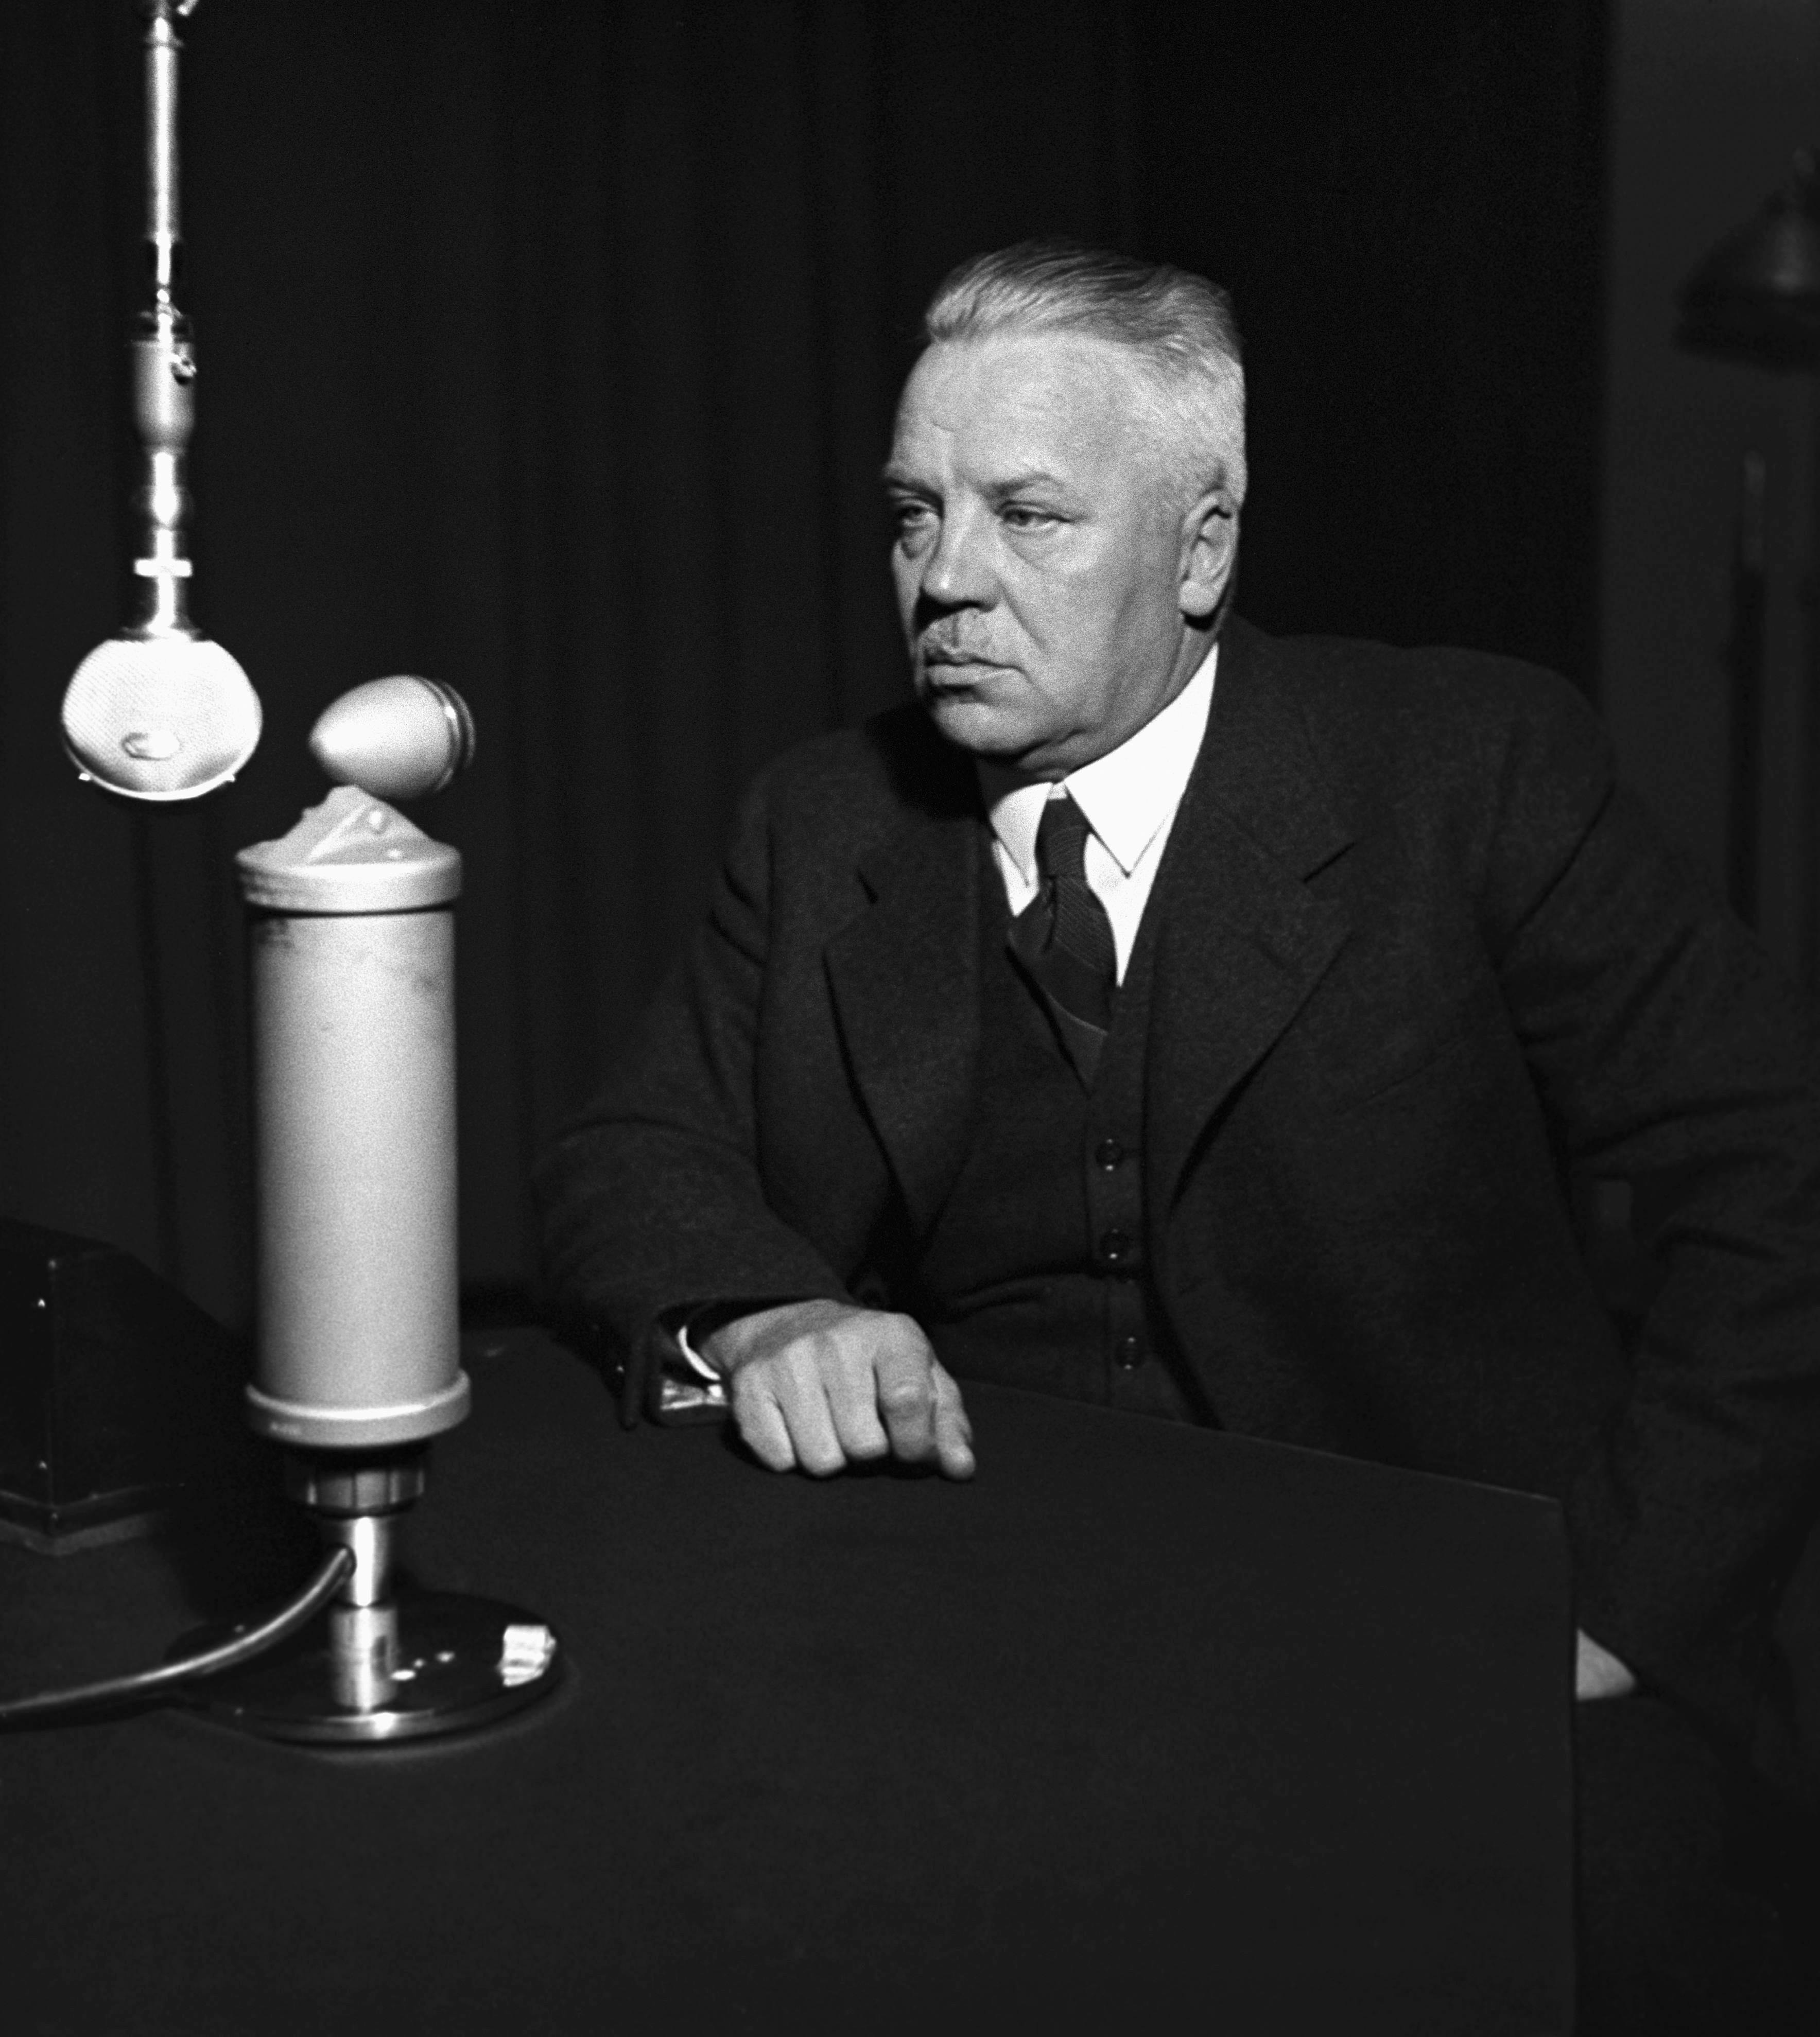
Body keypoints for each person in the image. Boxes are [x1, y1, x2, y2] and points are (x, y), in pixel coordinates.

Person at [534, 240, 1817, 2031]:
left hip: (1452, 1635)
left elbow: (1780, 1180)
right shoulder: (829, 821)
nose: (947, 582)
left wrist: (1618, 1603)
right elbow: (624, 1155)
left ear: (1201, 547)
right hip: (998, 1636)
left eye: (1030, 516)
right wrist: (768, 1313)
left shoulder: (1464, 768)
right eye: (914, 514)